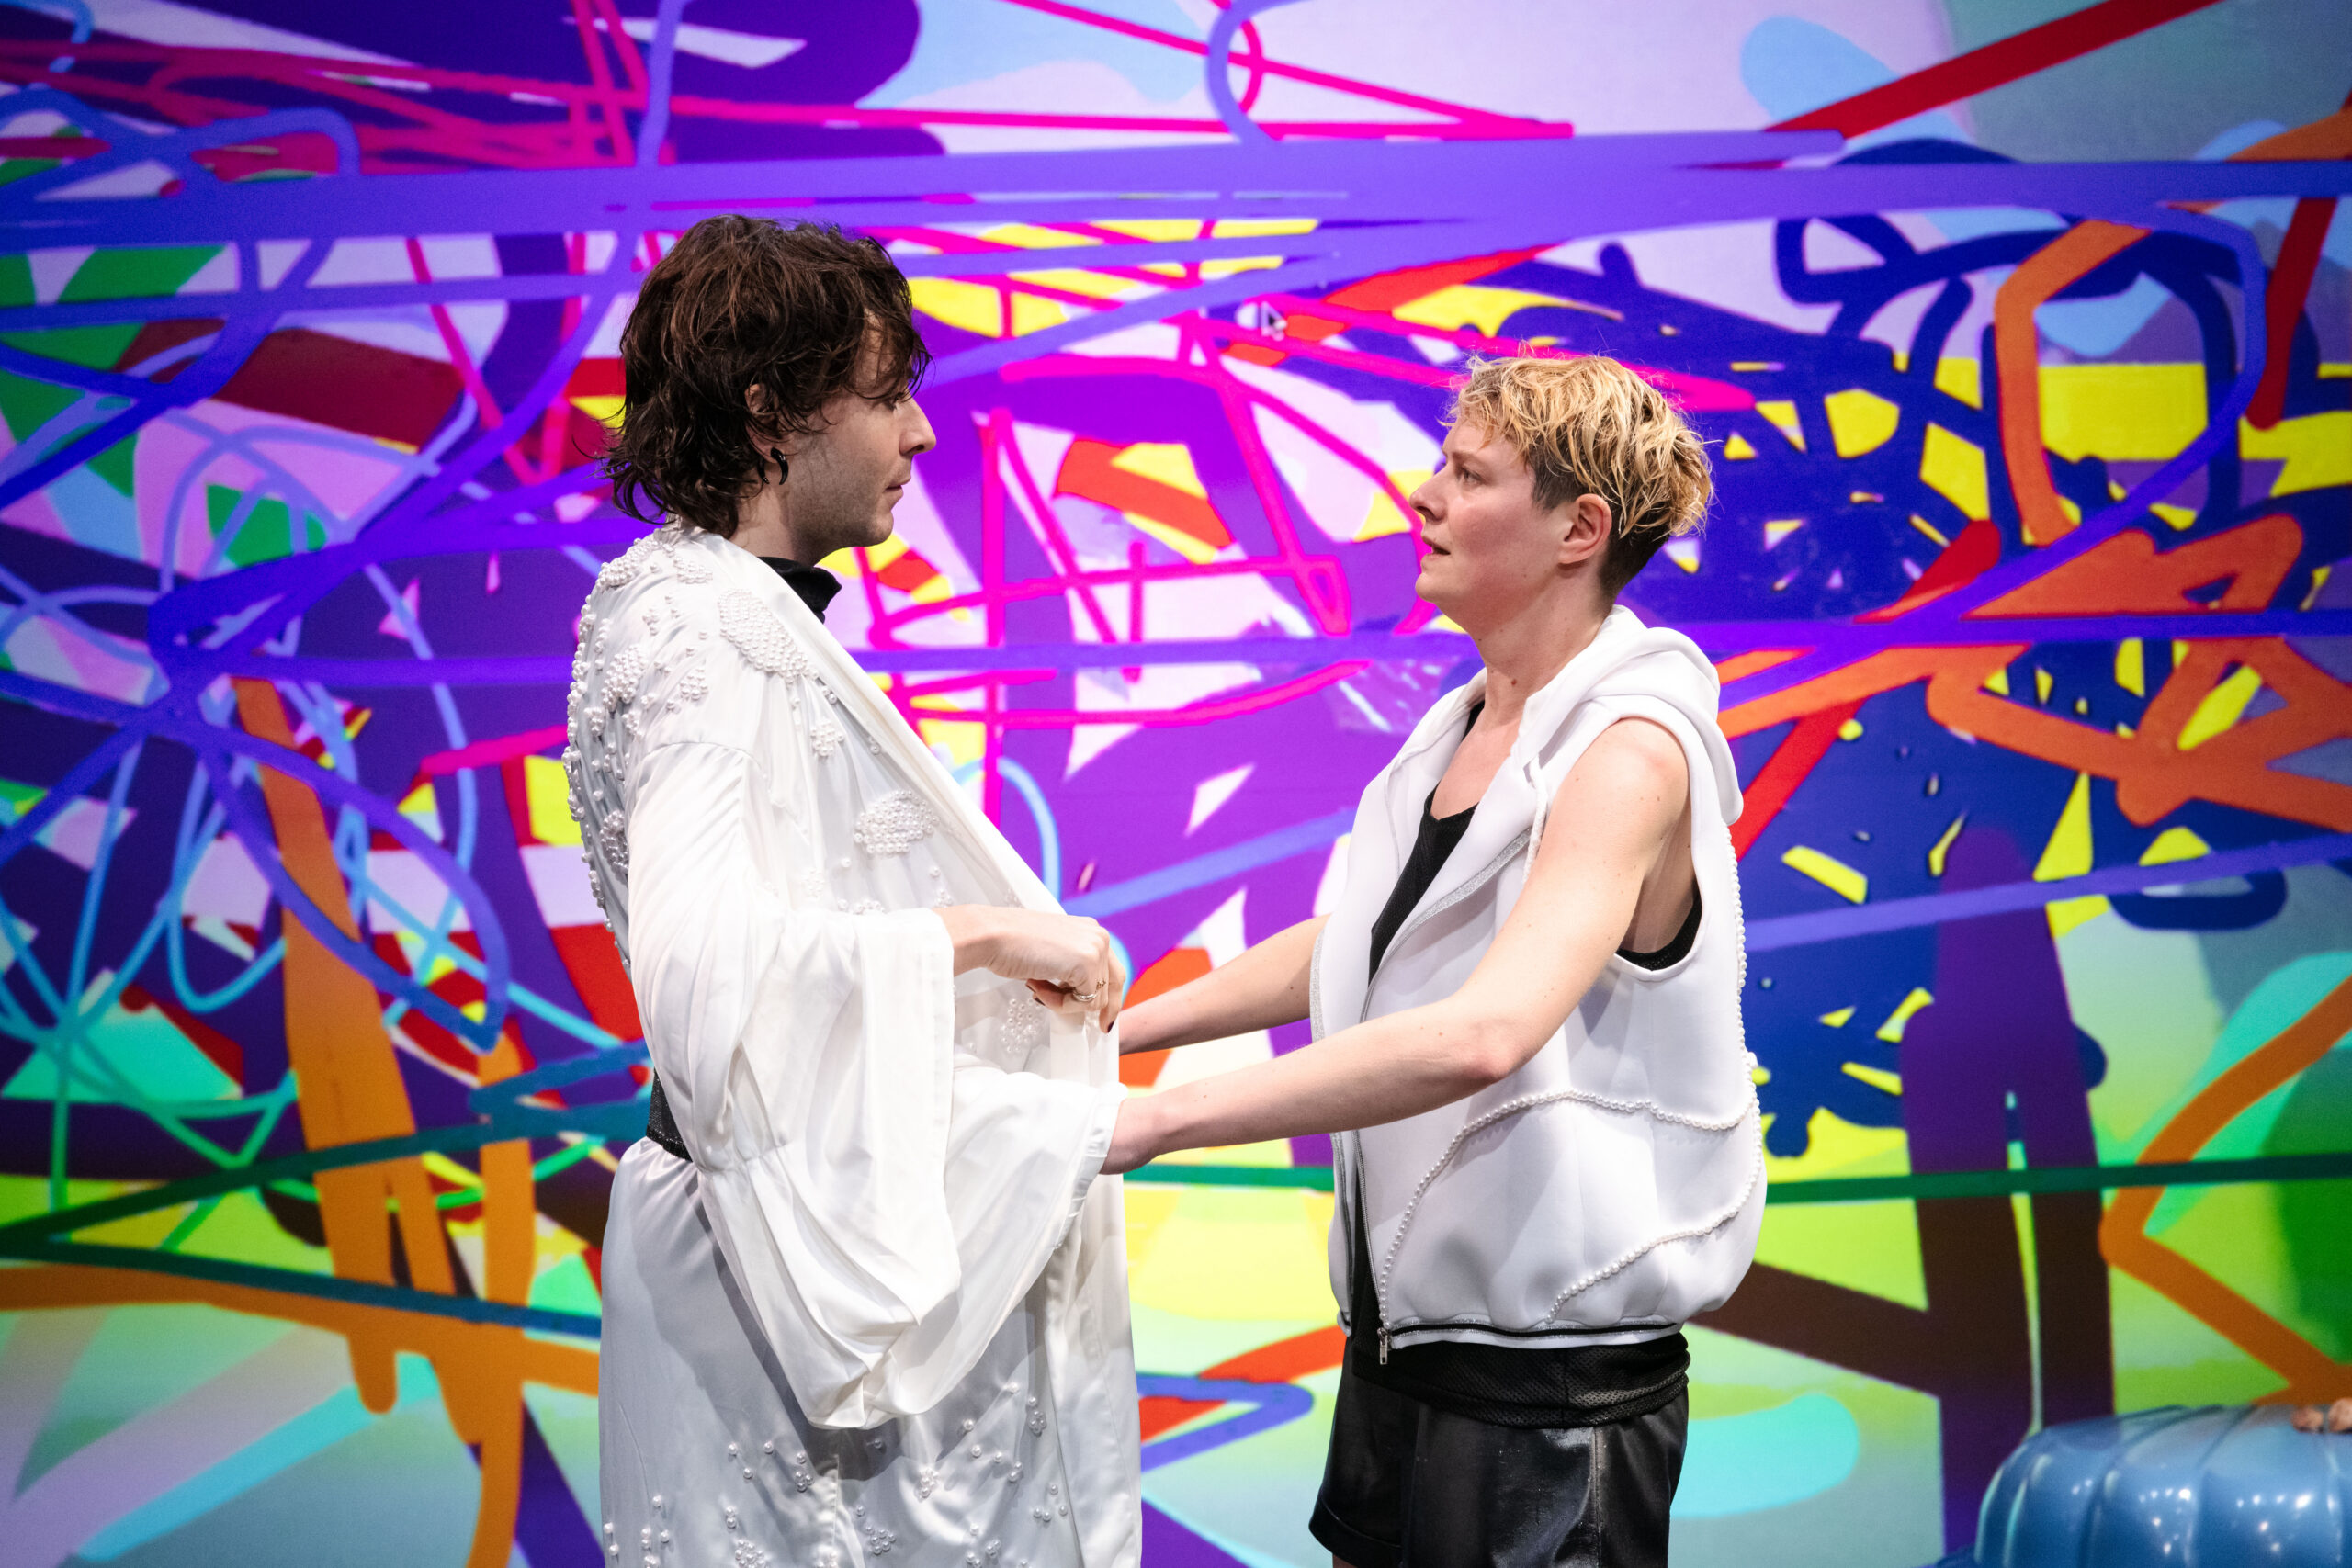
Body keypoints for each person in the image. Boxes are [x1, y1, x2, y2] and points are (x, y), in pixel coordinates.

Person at [1108, 355, 1765, 1568]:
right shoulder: (1462, 724)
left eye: (1468, 474)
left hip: (1547, 1394)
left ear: (1579, 530)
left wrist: (1152, 1123)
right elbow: (1359, 943)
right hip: (1406, 1355)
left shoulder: (1630, 751)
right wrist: (1117, 1033)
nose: (1424, 496)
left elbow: (1484, 1031)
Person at [569, 216, 1140, 1568]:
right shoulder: (704, 629)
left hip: (759, 1230)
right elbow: (704, 975)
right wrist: (987, 936)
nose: (921, 435)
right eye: (888, 396)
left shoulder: (690, 597)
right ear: (771, 412)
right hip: (760, 1268)